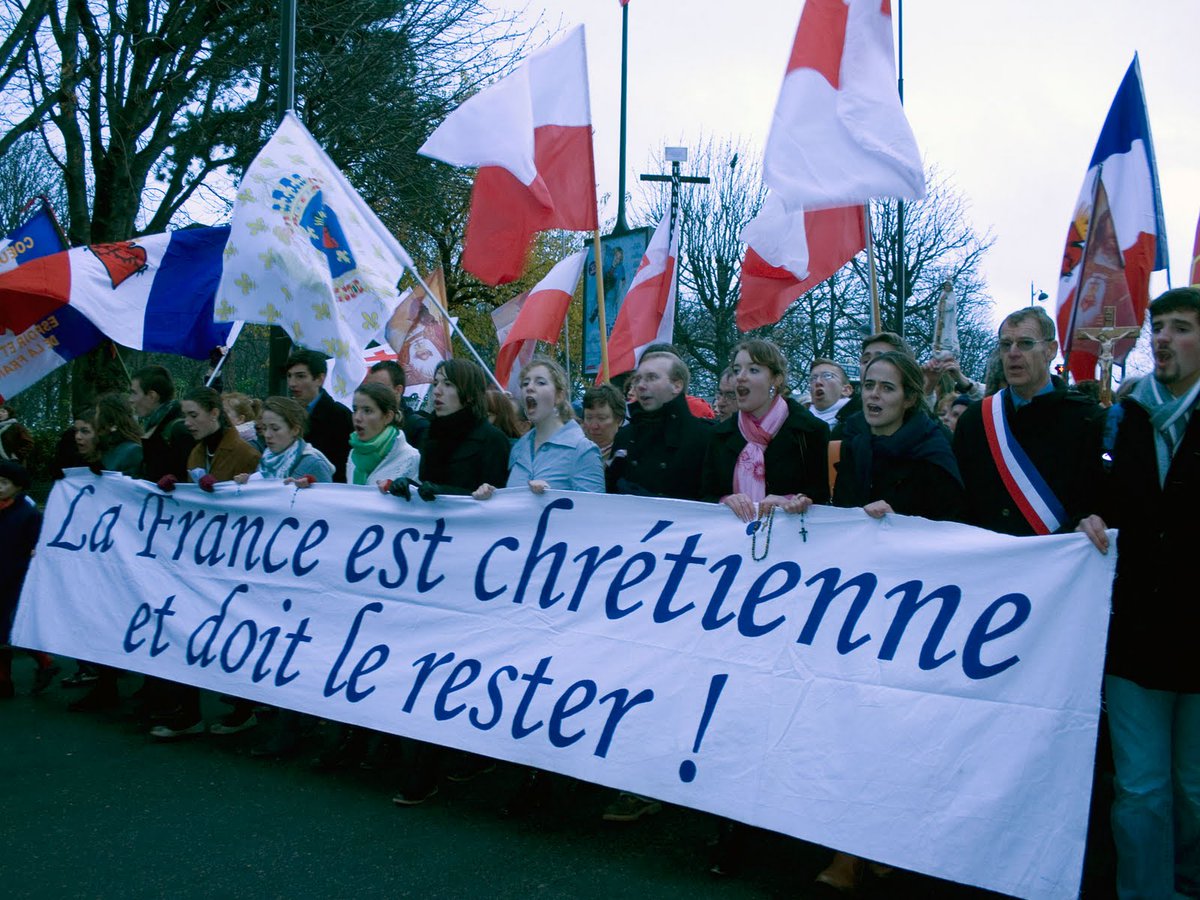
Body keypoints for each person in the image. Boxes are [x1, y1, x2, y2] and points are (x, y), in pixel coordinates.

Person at [816, 351, 965, 894]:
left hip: (914, 610)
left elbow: (951, 529)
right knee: (853, 723)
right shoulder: (855, 440)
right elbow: (840, 513)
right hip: (861, 603)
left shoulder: (932, 450)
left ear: (909, 397)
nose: (874, 396)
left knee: (897, 728)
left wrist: (902, 521)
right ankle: (848, 849)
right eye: (869, 386)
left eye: (886, 388)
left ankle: (885, 843)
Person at [1077, 287, 1200, 899]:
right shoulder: (1126, 414)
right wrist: (1089, 517)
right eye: (1159, 328)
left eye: (1181, 328)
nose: (1163, 339)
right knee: (1141, 789)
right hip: (1135, 632)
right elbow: (1101, 495)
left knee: (1194, 788)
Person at [376, 358, 508, 802]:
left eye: (447, 385)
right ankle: (420, 761)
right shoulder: (428, 434)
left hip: (470, 573)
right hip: (427, 566)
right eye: (435, 383)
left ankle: (448, 758)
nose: (436, 391)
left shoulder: (492, 441)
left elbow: (498, 509)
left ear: (467, 393)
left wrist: (456, 498)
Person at [149, 387, 260, 740]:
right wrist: (175, 490)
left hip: (236, 558)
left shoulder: (244, 452)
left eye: (194, 415)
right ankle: (189, 711)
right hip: (203, 557)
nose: (188, 422)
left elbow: (257, 501)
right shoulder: (196, 451)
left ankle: (244, 709)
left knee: (235, 634)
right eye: (185, 415)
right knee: (191, 629)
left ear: (215, 413)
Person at [953, 307, 1104, 536]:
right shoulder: (975, 421)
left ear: (1050, 350)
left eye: (1025, 343)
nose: (1013, 353)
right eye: (1005, 345)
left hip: (1056, 562)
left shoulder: (1087, 419)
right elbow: (956, 499)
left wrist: (1088, 520)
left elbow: (1097, 498)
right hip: (989, 560)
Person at [703, 339, 831, 521]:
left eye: (753, 370)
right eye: (737, 370)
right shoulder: (720, 435)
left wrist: (792, 501)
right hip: (732, 544)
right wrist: (725, 501)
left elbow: (821, 496)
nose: (740, 377)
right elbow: (704, 495)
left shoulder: (810, 431)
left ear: (776, 380)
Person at [475, 356, 603, 498]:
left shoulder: (583, 450)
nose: (529, 388)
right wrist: (492, 496)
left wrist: (552, 497)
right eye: (525, 384)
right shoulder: (518, 449)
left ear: (559, 396)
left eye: (540, 382)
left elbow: (594, 513)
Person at [607, 351, 711, 500]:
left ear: (677, 385)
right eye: (637, 379)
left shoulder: (704, 437)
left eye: (651, 377)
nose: (640, 386)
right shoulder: (624, 436)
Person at [0, 460, 58, 699]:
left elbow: (38, 545)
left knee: (10, 628)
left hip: (15, 576)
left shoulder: (28, 514)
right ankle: (9, 678)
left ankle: (38, 665)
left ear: (18, 487)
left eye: (4, 483)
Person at [234, 396, 334, 485]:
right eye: (264, 428)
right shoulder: (267, 459)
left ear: (295, 430)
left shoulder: (314, 464)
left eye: (275, 428)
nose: (267, 435)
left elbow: (326, 502)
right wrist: (250, 482)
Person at [286, 349, 352, 483]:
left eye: (300, 376)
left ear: (320, 379)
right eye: (289, 376)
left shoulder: (339, 416)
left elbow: (343, 468)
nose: (292, 383)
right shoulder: (285, 413)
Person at [346, 382, 420, 488]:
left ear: (388, 417)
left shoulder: (411, 458)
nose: (357, 417)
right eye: (355, 410)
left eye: (367, 411)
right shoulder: (353, 455)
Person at [130, 364, 192, 483]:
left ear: (152, 396)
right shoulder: (156, 425)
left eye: (134, 393)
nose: (130, 399)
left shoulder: (178, 429)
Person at [364, 358, 429, 451]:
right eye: (368, 388)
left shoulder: (418, 428)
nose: (371, 394)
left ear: (398, 390)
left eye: (378, 388)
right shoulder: (365, 423)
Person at [74, 394, 143, 476]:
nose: (95, 419)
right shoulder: (101, 450)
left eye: (98, 414)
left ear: (110, 422)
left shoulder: (132, 452)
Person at [807, 358, 858, 438]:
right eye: (813, 378)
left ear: (846, 390)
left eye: (827, 376)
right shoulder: (797, 420)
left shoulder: (859, 422)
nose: (818, 382)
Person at [581, 382, 625, 465]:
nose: (594, 426)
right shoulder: (575, 453)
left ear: (619, 420)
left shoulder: (629, 454)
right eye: (589, 418)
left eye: (601, 418)